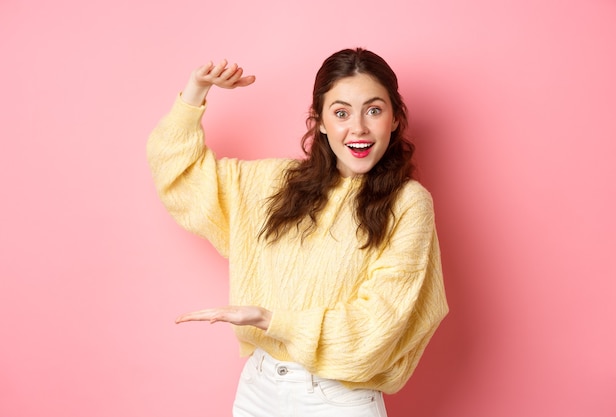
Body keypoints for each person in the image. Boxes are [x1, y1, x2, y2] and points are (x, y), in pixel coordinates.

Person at [147, 47, 448, 417]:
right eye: (341, 113)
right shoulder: (273, 183)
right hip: (258, 389)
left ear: (395, 118)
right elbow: (183, 178)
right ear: (320, 121)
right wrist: (195, 92)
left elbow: (378, 324)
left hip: (338, 398)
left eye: (374, 110)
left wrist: (271, 320)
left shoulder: (409, 204)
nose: (358, 128)